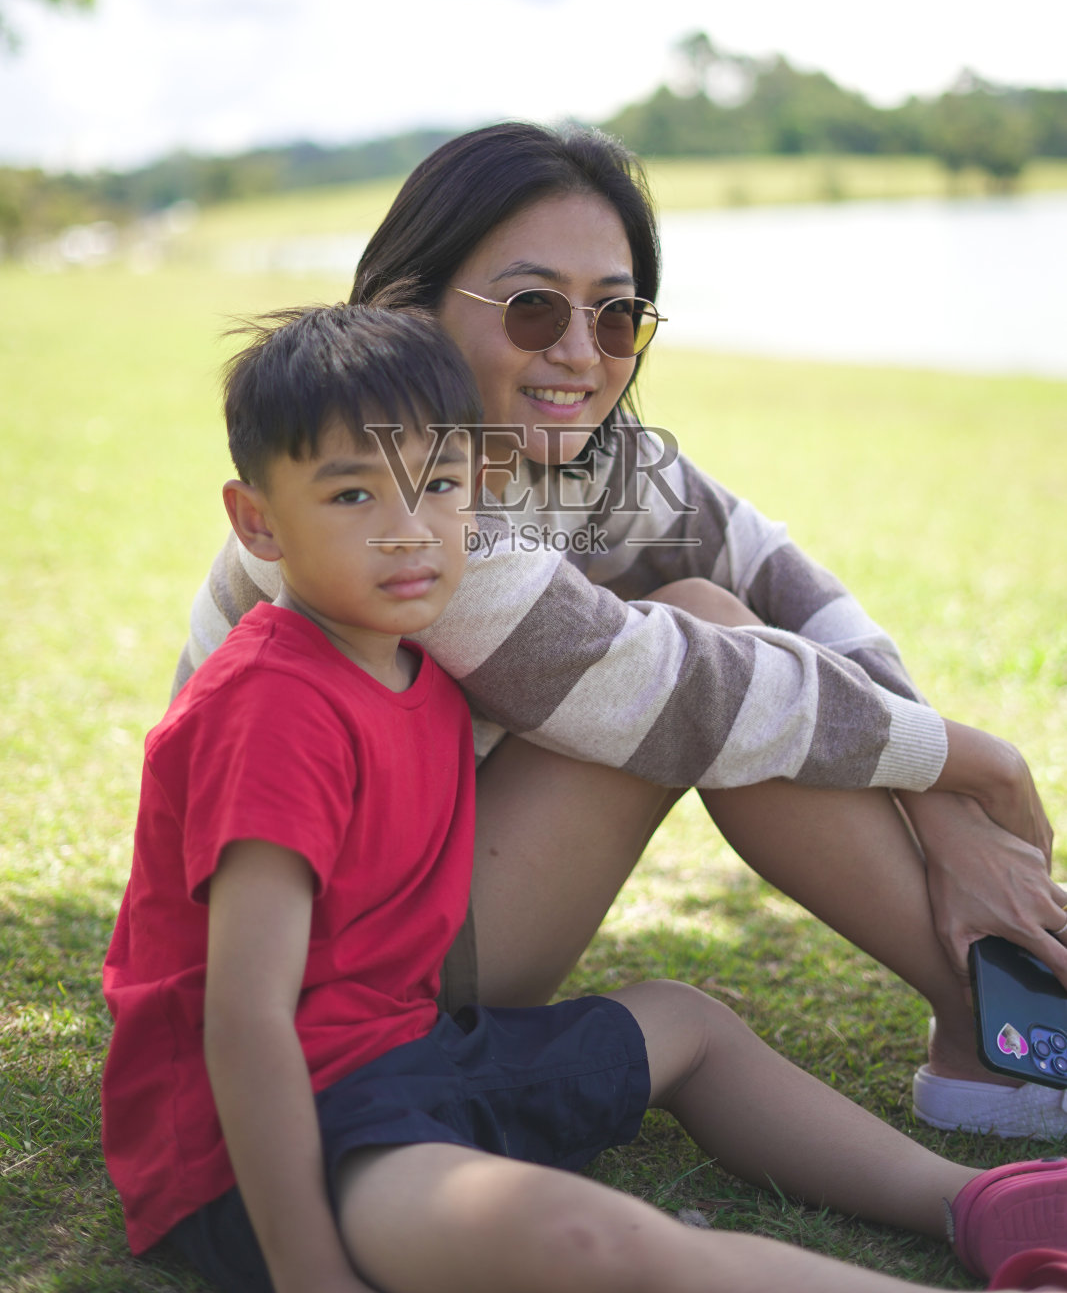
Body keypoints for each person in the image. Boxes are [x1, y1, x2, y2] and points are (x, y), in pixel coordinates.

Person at [104, 303, 1067, 1293]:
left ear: (480, 487)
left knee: (687, 1025)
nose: (408, 532)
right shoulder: (271, 703)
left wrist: (935, 772)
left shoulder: (416, 665)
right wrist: (309, 1271)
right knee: (590, 1242)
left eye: (440, 485)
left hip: (418, 1052)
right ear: (257, 520)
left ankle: (972, 1200)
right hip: (290, 1126)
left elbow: (751, 602)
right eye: (353, 495)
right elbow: (246, 1018)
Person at [176, 123, 1067, 1141]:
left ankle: (1004, 1006)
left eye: (615, 316)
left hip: (422, 911)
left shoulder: (594, 461)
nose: (577, 352)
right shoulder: (388, 508)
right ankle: (997, 1026)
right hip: (327, 973)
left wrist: (946, 804)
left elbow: (786, 583)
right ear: (411, 309)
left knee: (712, 617)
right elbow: (665, 692)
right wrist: (971, 763)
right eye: (532, 306)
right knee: (697, 671)